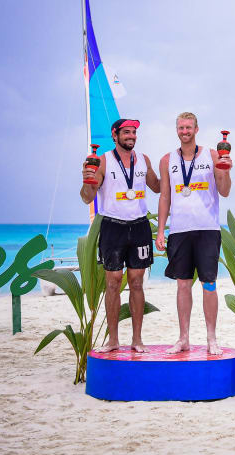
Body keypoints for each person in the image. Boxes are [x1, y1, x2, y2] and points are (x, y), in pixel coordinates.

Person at [80, 118, 160, 353]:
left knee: (136, 282)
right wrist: (87, 178)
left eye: (134, 132)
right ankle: (113, 340)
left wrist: (183, 176)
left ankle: (137, 340)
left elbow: (156, 186)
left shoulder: (143, 160)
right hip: (112, 227)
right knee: (113, 283)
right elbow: (87, 197)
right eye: (126, 132)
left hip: (139, 226)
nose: (131, 136)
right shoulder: (102, 161)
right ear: (114, 135)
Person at [155, 112, 232, 355]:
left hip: (207, 229)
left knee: (208, 284)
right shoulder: (167, 160)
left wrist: (226, 170)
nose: (184, 131)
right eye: (181, 127)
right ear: (177, 130)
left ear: (196, 129)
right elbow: (165, 196)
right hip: (179, 231)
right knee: (183, 285)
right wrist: (160, 231)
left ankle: (211, 338)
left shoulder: (212, 155)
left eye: (189, 127)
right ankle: (184, 338)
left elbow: (225, 191)